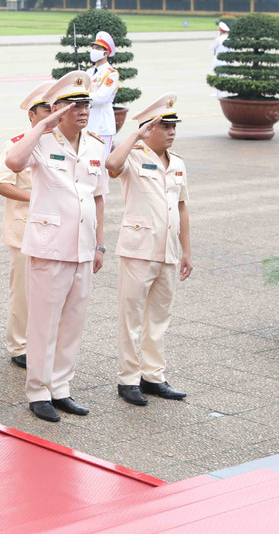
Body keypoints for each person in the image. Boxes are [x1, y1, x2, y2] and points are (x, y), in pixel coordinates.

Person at [3, 71, 108, 423]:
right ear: (57, 109)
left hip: (82, 247)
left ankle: (61, 388)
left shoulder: (95, 143)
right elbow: (14, 163)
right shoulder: (40, 141)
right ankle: (38, 391)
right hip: (49, 246)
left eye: (86, 104)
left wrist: (100, 245)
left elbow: (98, 197)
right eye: (75, 104)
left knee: (72, 323)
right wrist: (43, 125)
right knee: (44, 323)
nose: (83, 110)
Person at [106, 93, 192, 406]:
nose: (171, 131)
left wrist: (187, 251)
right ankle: (128, 380)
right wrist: (134, 136)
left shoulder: (178, 163)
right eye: (164, 126)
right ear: (148, 129)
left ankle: (153, 376)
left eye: (174, 127)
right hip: (138, 250)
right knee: (131, 318)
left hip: (168, 251)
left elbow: (182, 208)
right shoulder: (132, 155)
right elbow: (111, 165)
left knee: (158, 318)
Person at [0, 80, 54, 370]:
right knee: (24, 293)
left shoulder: (59, 144)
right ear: (32, 114)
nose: (52, 113)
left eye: (56, 108)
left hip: (54, 232)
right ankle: (19, 346)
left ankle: (42, 343)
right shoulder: (16, 145)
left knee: (50, 293)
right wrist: (35, 197)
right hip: (24, 229)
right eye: (46, 109)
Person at [87, 31, 119, 154]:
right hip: (89, 123)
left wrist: (82, 97)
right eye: (93, 47)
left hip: (102, 125)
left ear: (106, 53)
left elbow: (101, 98)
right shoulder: (89, 72)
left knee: (102, 161)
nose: (94, 50)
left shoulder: (111, 73)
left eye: (98, 48)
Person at [210, 21, 231, 97]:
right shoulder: (228, 38)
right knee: (223, 75)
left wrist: (216, 39)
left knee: (218, 75)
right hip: (225, 58)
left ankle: (220, 93)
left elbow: (212, 47)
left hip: (218, 58)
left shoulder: (218, 38)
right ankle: (221, 92)